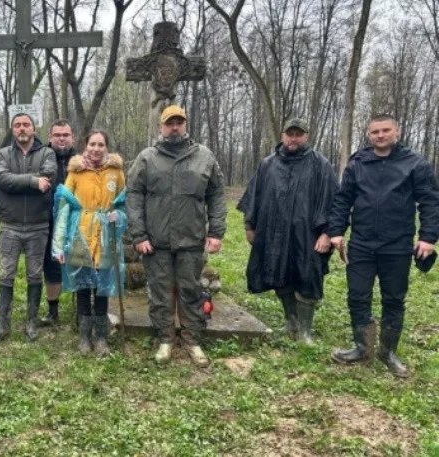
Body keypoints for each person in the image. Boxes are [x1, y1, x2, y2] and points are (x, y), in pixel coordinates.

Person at [328, 114, 439, 378]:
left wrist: (428, 237)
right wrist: (336, 232)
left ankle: (388, 352)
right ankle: (361, 347)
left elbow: (430, 202)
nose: (380, 135)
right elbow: (343, 199)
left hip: (397, 245)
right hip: (362, 244)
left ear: (397, 131)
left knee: (393, 299)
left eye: (385, 130)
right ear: (369, 135)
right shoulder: (358, 163)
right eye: (375, 131)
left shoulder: (414, 164)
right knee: (357, 296)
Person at [125, 105, 227, 367]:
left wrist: (216, 231)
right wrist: (139, 234)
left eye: (179, 122)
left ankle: (192, 340)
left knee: (191, 291)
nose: (174, 127)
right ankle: (165, 339)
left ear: (186, 125)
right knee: (160, 292)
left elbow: (216, 194)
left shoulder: (204, 157)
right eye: (169, 123)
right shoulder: (147, 158)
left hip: (191, 240)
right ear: (161, 127)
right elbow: (133, 196)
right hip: (155, 242)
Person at [237, 118, 338, 344]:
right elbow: (254, 196)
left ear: (306, 136)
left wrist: (327, 234)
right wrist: (249, 226)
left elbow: (333, 201)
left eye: (298, 134)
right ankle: (290, 321)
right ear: (282, 135)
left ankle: (305, 331)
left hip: (307, 235)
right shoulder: (268, 164)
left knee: (306, 277)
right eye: (289, 133)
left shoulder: (320, 165)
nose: (293, 138)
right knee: (278, 275)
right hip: (274, 233)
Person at [52, 130, 126, 356]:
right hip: (80, 234)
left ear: (107, 147)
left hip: (105, 236)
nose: (96, 148)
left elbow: (123, 204)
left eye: (100, 144)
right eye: (92, 144)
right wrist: (59, 243)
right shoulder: (75, 172)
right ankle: (84, 337)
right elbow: (64, 208)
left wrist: (119, 217)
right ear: (85, 146)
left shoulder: (116, 172)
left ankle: (101, 337)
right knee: (83, 285)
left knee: (102, 287)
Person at [0, 113, 57, 342]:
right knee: (6, 274)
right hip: (10, 225)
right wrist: (32, 182)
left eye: (26, 124)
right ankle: (2, 325)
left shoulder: (47, 153)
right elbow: (1, 179)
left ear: (33, 129)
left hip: (38, 225)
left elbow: (47, 179)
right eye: (17, 125)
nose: (22, 129)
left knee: (34, 274)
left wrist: (26, 182)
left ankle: (31, 323)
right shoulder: (2, 154)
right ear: (12, 129)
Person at [41, 119, 77, 326]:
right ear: (50, 137)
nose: (61, 138)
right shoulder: (42, 157)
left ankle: (79, 309)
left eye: (65, 135)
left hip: (76, 221)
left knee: (79, 263)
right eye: (57, 135)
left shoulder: (81, 159)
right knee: (51, 264)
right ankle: (52, 311)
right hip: (48, 219)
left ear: (72, 137)